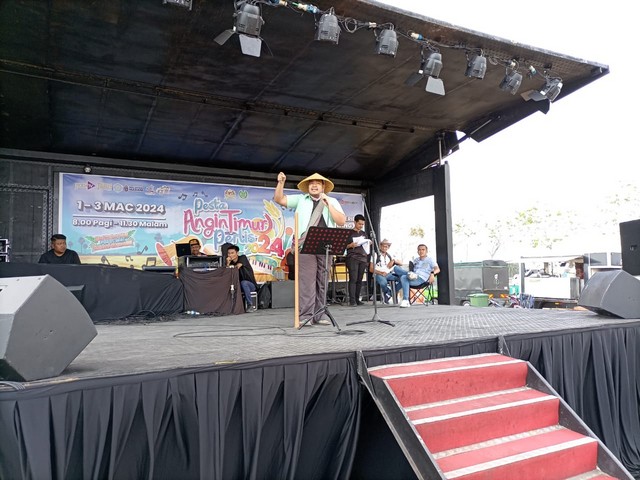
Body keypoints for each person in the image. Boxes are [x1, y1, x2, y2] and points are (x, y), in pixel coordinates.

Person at [274, 171, 346, 325]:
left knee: (322, 281)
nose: (314, 185)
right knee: (307, 282)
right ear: (307, 187)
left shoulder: (332, 200)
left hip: (326, 246)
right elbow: (279, 199)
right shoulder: (301, 199)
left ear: (323, 186)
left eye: (317, 183)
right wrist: (281, 182)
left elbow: (341, 221)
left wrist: (328, 203)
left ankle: (320, 315)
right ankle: (306, 315)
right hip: (305, 245)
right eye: (311, 183)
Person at [395, 244, 440, 308]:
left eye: (423, 250)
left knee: (403, 278)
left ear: (426, 251)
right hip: (412, 276)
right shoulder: (416, 260)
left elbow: (437, 269)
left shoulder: (430, 260)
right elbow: (411, 269)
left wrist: (432, 273)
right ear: (417, 251)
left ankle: (405, 300)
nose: (421, 251)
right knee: (396, 268)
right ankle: (409, 275)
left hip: (421, 279)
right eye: (419, 250)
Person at [345, 214, 370, 306]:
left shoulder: (364, 234)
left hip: (363, 258)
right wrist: (350, 245)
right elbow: (343, 246)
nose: (361, 226)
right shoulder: (349, 233)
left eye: (362, 224)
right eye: (359, 224)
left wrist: (368, 243)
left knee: (359, 279)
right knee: (353, 279)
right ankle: (352, 300)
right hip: (352, 257)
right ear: (354, 222)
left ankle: (357, 299)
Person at [369, 238, 404, 304]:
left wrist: (393, 260)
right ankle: (388, 292)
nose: (384, 248)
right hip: (378, 274)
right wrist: (381, 273)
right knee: (383, 283)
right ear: (380, 246)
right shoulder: (375, 254)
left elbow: (401, 263)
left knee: (403, 279)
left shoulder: (389, 255)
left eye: (386, 246)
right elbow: (371, 269)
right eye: (383, 246)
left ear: (388, 247)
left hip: (389, 274)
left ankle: (388, 294)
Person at [226, 244, 258, 312]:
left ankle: (250, 305)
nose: (230, 255)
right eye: (229, 253)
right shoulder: (230, 263)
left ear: (237, 253)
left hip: (250, 285)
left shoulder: (242, 258)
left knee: (244, 283)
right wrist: (227, 264)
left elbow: (237, 267)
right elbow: (227, 273)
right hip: (238, 285)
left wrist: (230, 266)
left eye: (232, 253)